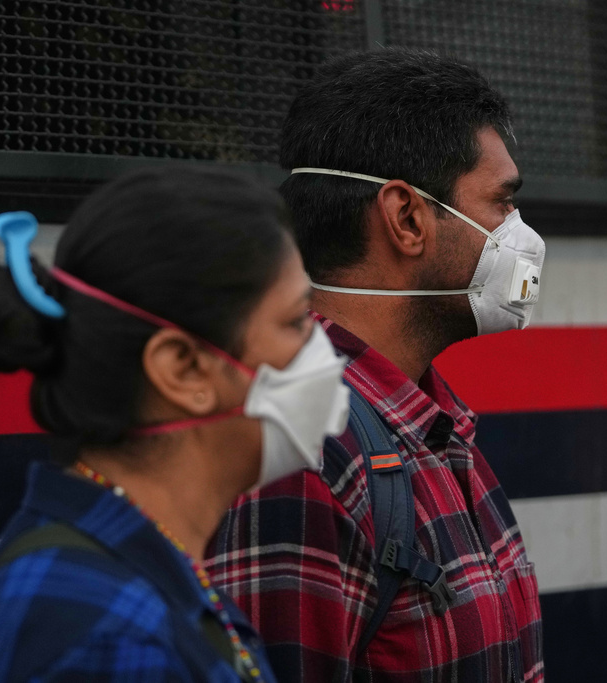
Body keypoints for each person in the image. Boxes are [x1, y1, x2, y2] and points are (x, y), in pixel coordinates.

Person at [0, 166, 351, 683]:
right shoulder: (109, 637)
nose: (321, 349)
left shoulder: (139, 570)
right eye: (294, 322)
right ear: (183, 368)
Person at [207, 49, 546, 682]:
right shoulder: (302, 453)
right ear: (407, 218)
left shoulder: (429, 425)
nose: (521, 237)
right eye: (501, 205)